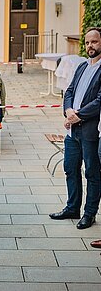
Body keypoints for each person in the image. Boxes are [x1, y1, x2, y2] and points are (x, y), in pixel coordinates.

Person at [49, 27, 101, 230]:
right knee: (70, 168)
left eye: (94, 42)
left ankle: (89, 214)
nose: (90, 46)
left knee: (92, 173)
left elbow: (99, 101)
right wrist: (68, 109)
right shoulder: (81, 66)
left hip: (90, 130)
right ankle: (72, 208)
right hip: (72, 130)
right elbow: (69, 90)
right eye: (87, 42)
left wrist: (77, 115)